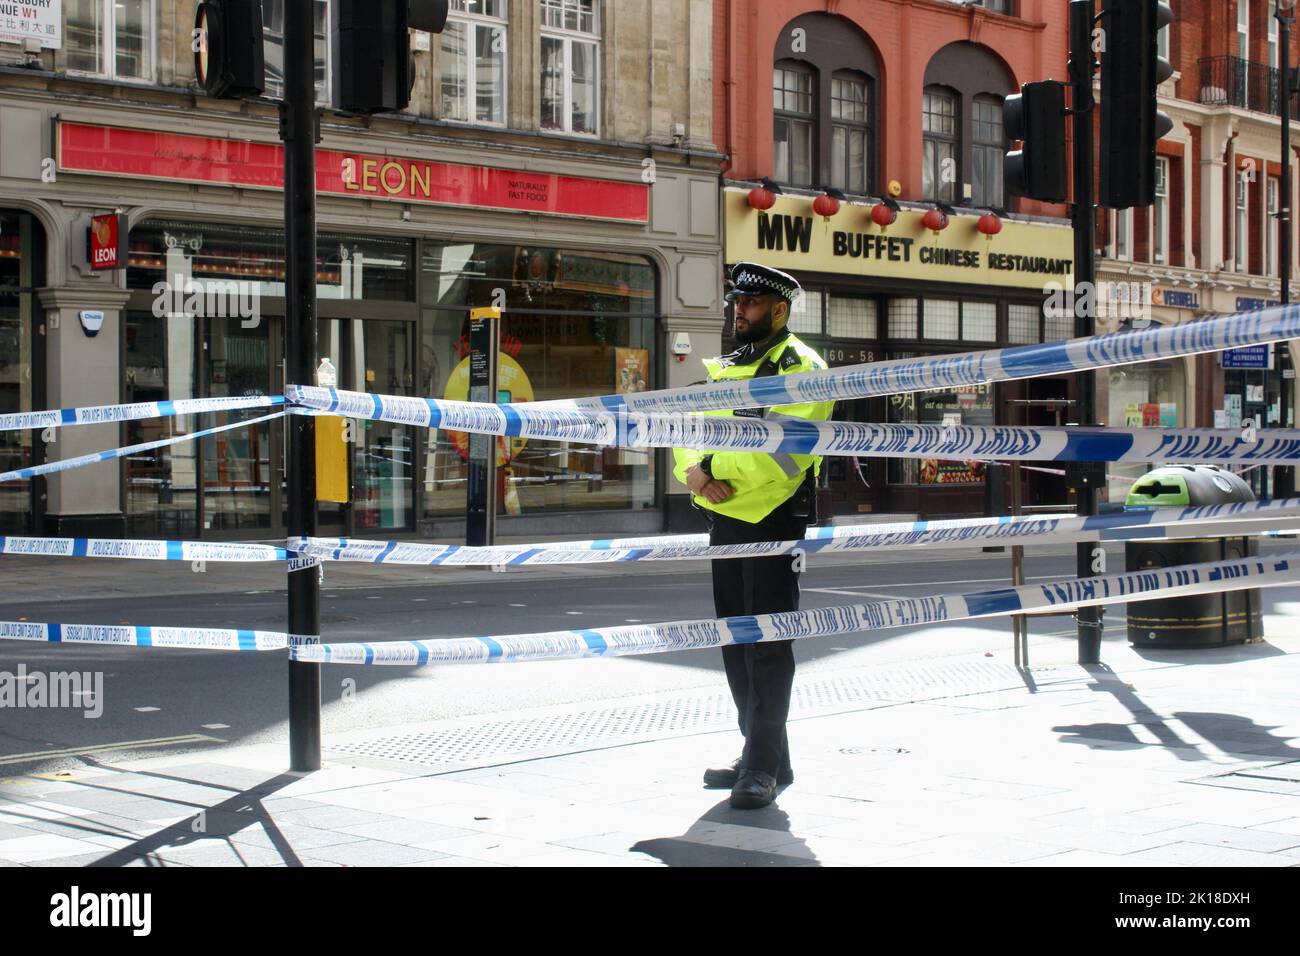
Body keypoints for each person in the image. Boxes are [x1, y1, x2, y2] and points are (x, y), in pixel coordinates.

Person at [672, 262, 835, 809]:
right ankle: (765, 755)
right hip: (725, 518)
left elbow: (785, 455)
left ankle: (761, 767)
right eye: (736, 301)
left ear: (780, 309)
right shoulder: (730, 366)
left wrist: (715, 472)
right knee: (736, 641)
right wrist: (695, 475)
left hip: (774, 521)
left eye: (751, 302)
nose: (738, 309)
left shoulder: (802, 367)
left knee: (768, 646)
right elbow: (689, 431)